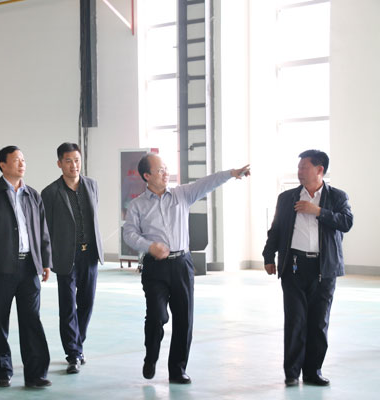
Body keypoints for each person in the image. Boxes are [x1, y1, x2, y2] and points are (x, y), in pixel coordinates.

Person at [123, 153, 249, 384]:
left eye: (166, 168)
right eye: (160, 170)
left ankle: (177, 370)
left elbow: (208, 182)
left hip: (182, 264)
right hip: (155, 267)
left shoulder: (182, 194)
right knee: (157, 316)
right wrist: (149, 246)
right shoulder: (138, 205)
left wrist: (231, 173)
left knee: (184, 319)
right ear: (147, 176)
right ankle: (151, 356)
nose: (166, 173)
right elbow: (129, 234)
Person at [262, 150, 353, 387]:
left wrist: (318, 212)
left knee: (318, 323)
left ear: (319, 170)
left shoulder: (337, 197)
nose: (299, 171)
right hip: (294, 267)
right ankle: (292, 373)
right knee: (295, 321)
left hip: (324, 268)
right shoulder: (287, 198)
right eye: (299, 167)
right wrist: (268, 256)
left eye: (304, 167)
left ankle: (313, 372)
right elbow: (276, 229)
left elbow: (346, 222)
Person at [0, 146, 52, 388]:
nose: (22, 163)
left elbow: (42, 230)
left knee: (32, 320)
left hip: (29, 267)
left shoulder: (33, 195)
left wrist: (45, 261)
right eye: (16, 160)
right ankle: (2, 371)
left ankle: (36, 374)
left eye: (23, 160)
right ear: (2, 165)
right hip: (0, 269)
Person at [41, 143, 103, 374]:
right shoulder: (50, 192)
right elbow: (45, 229)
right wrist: (46, 259)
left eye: (76, 160)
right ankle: (73, 354)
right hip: (66, 256)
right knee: (68, 306)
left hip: (90, 254)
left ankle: (78, 343)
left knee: (87, 303)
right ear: (59, 163)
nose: (73, 165)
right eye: (68, 161)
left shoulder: (92, 185)